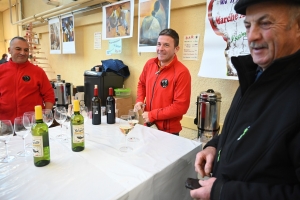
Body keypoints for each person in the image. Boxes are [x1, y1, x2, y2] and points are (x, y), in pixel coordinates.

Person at [190, 0, 300, 199]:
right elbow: (239, 132)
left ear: (298, 26)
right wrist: (215, 146)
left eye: (265, 23)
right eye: (248, 25)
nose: (252, 36)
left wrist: (223, 192)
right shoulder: (254, 75)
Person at [135, 28, 191, 135]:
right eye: (159, 44)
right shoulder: (149, 64)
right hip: (148, 126)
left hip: (169, 132)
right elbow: (141, 84)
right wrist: (139, 100)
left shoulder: (182, 72)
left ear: (176, 49)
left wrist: (152, 115)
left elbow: (180, 107)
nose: (160, 48)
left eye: (166, 45)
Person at [0, 37, 55, 123]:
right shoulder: (1, 70)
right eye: (18, 49)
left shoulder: (38, 72)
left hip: (32, 123)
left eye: (26, 50)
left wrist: (46, 114)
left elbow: (49, 95)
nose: (22, 53)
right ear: (9, 50)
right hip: (5, 123)